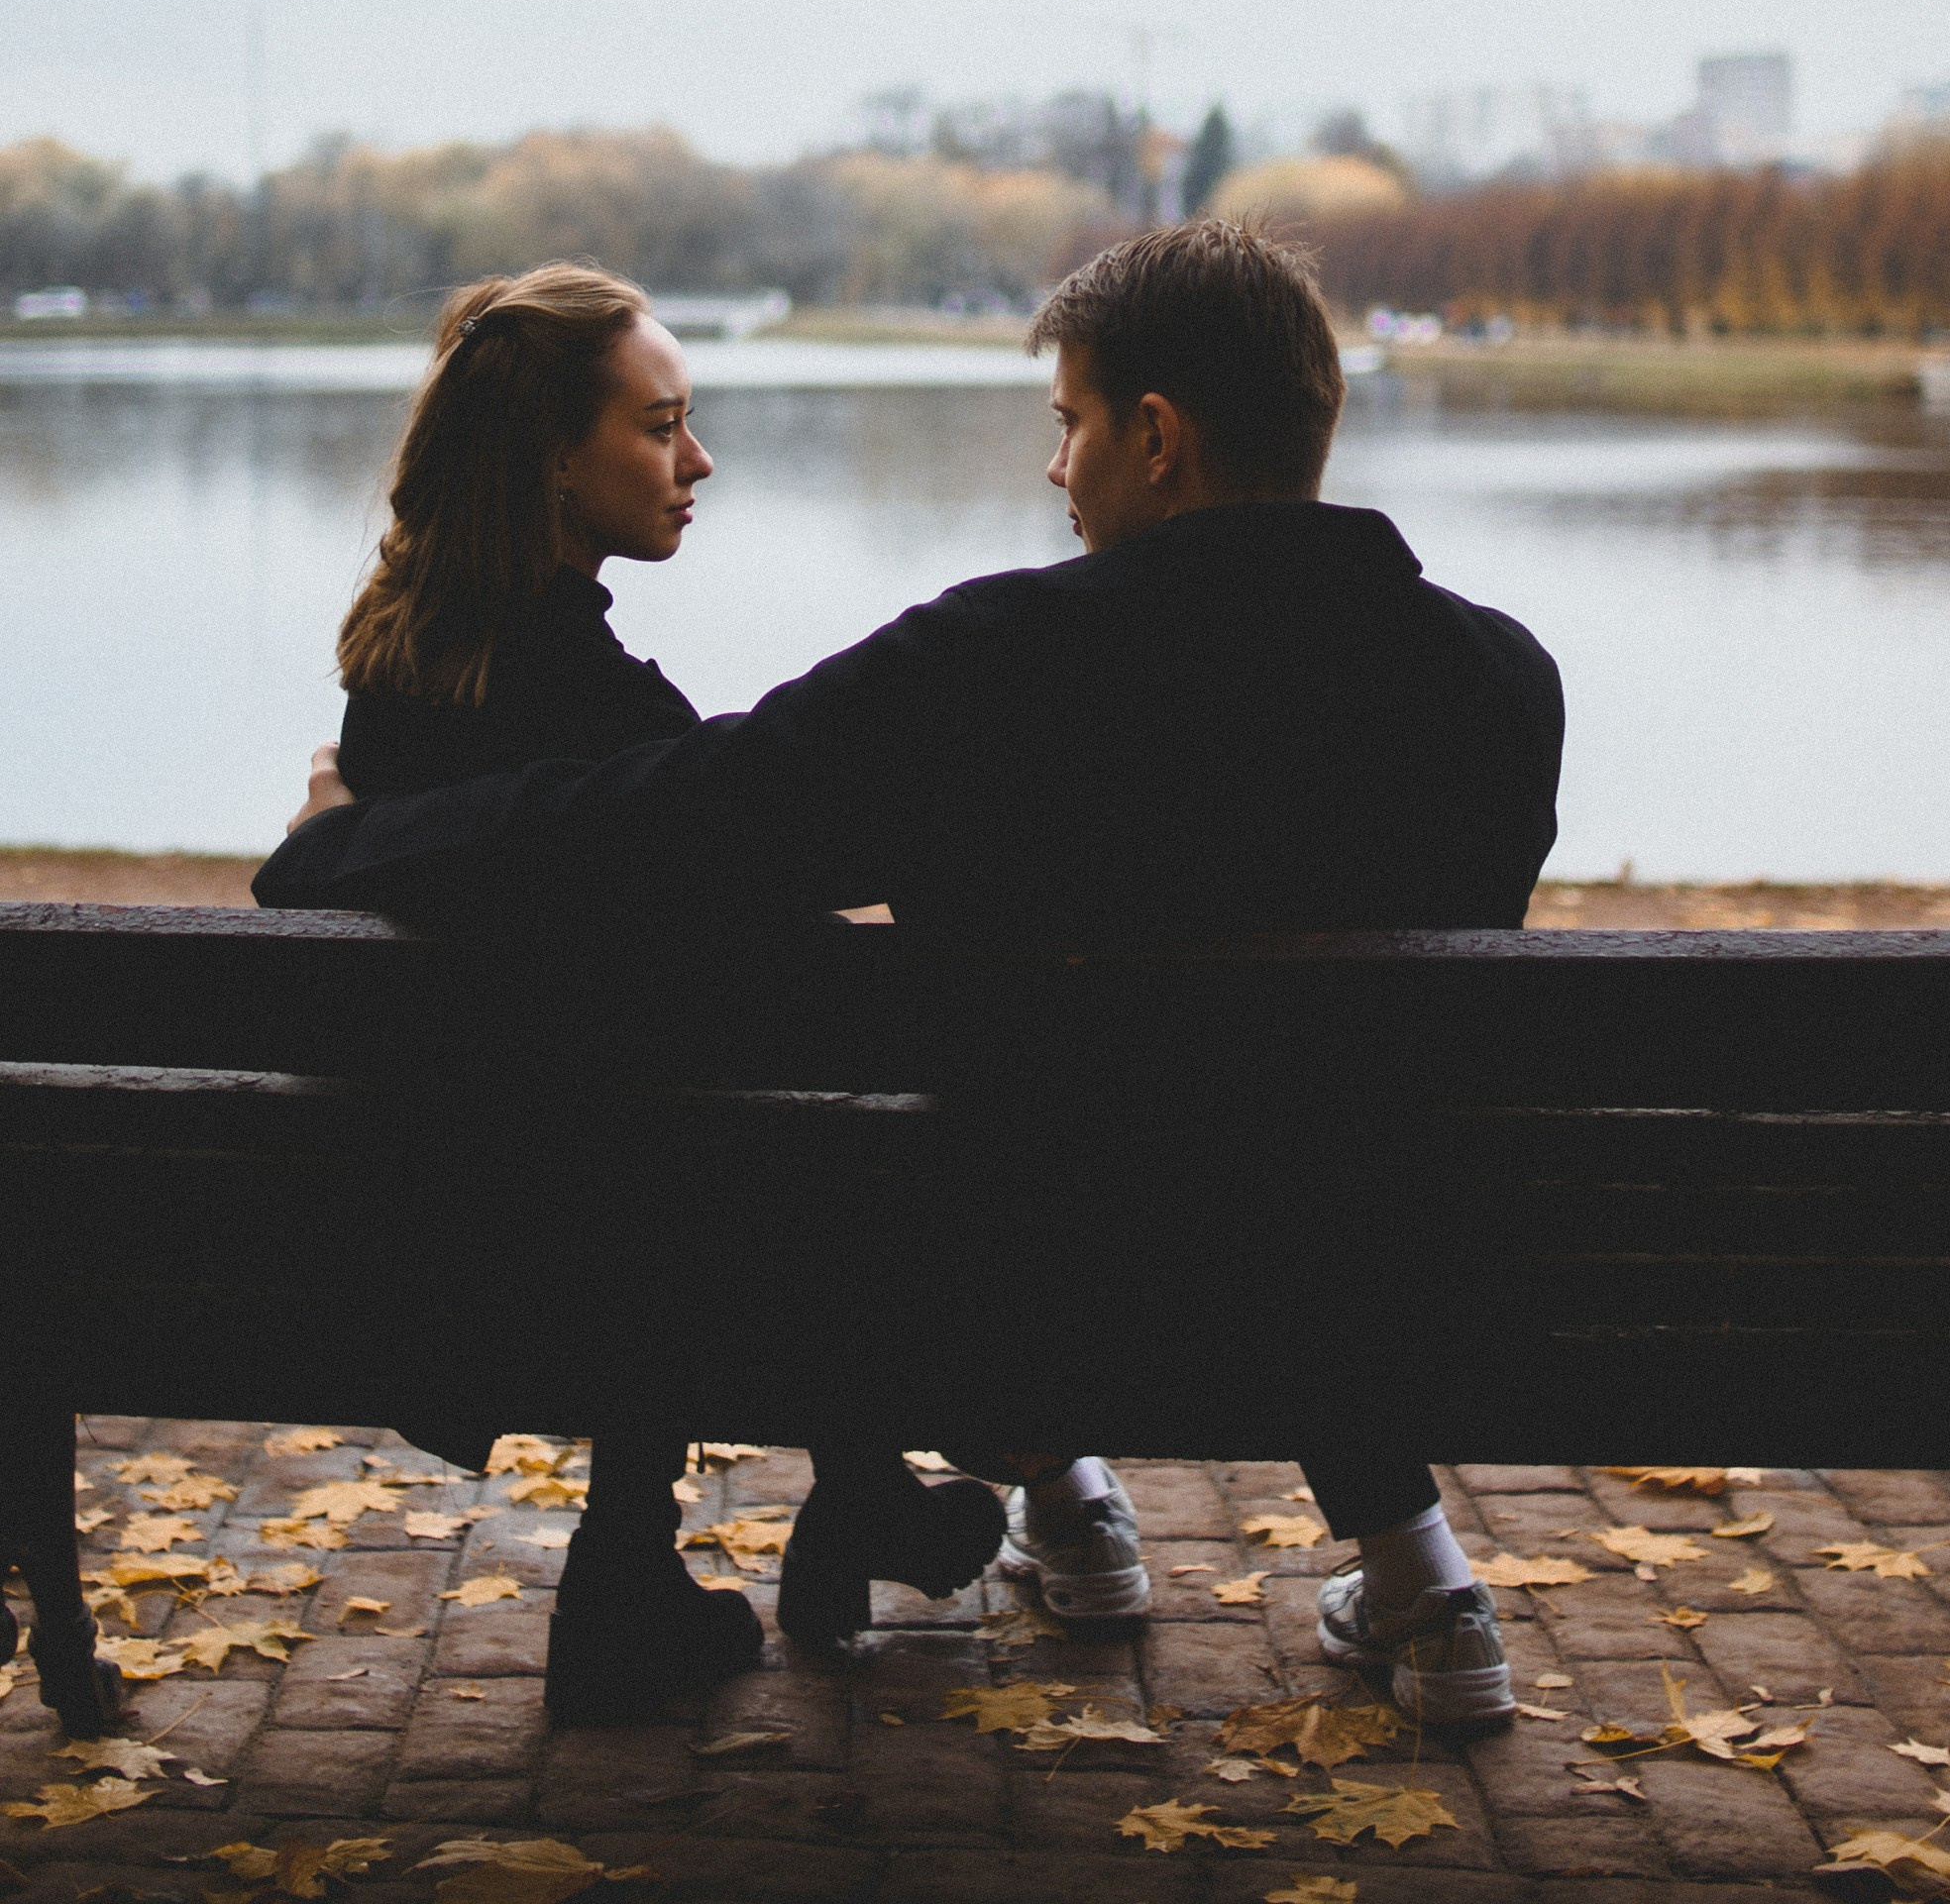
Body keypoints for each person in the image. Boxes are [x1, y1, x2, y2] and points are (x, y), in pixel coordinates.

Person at [265, 220, 1564, 1730]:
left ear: (1157, 439)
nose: (1056, 469)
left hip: (1023, 1291)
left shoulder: (1000, 665)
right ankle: (1414, 1573)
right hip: (1384, 1270)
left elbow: (675, 822)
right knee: (1285, 1126)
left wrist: (352, 845)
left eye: (1070, 425)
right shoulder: (1502, 684)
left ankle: (1067, 1496)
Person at [311, 263, 1004, 1721]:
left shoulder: (396, 687)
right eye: (660, 425)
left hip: (430, 1222)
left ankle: (703, 1542)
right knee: (758, 1129)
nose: (699, 460)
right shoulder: (604, 714)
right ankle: (791, 1512)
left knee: (668, 1106)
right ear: (552, 462)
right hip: (605, 1245)